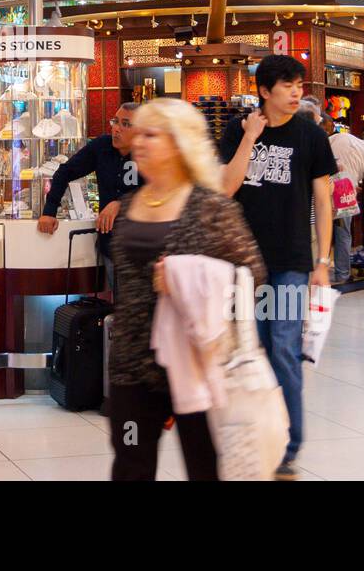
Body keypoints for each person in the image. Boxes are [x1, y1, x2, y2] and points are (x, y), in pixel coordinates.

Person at [108, 98, 266, 481]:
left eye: (151, 134)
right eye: (136, 132)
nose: (138, 142)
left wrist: (185, 277)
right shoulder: (129, 205)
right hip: (132, 361)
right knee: (130, 465)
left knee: (205, 466)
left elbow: (251, 275)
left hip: (198, 361)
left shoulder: (210, 207)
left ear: (180, 143)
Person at [219, 54, 336, 480]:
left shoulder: (311, 136)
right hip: (243, 260)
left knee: (283, 347)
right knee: (251, 349)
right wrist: (250, 136)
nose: (296, 92)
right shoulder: (237, 129)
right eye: (286, 85)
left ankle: (289, 442)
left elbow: (324, 201)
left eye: (299, 84)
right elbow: (226, 188)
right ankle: (258, 430)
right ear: (264, 91)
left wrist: (322, 261)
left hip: (289, 260)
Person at [37, 102, 141, 236]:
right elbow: (65, 172)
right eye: (115, 121)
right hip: (108, 244)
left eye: (125, 124)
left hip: (140, 243)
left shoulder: (148, 154)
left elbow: (157, 194)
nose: (116, 128)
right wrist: (49, 211)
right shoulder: (102, 147)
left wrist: (121, 204)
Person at [320, 111, 364, 284]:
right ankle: (342, 275)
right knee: (342, 233)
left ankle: (317, 271)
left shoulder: (341, 137)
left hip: (321, 188)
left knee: (319, 231)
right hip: (343, 196)